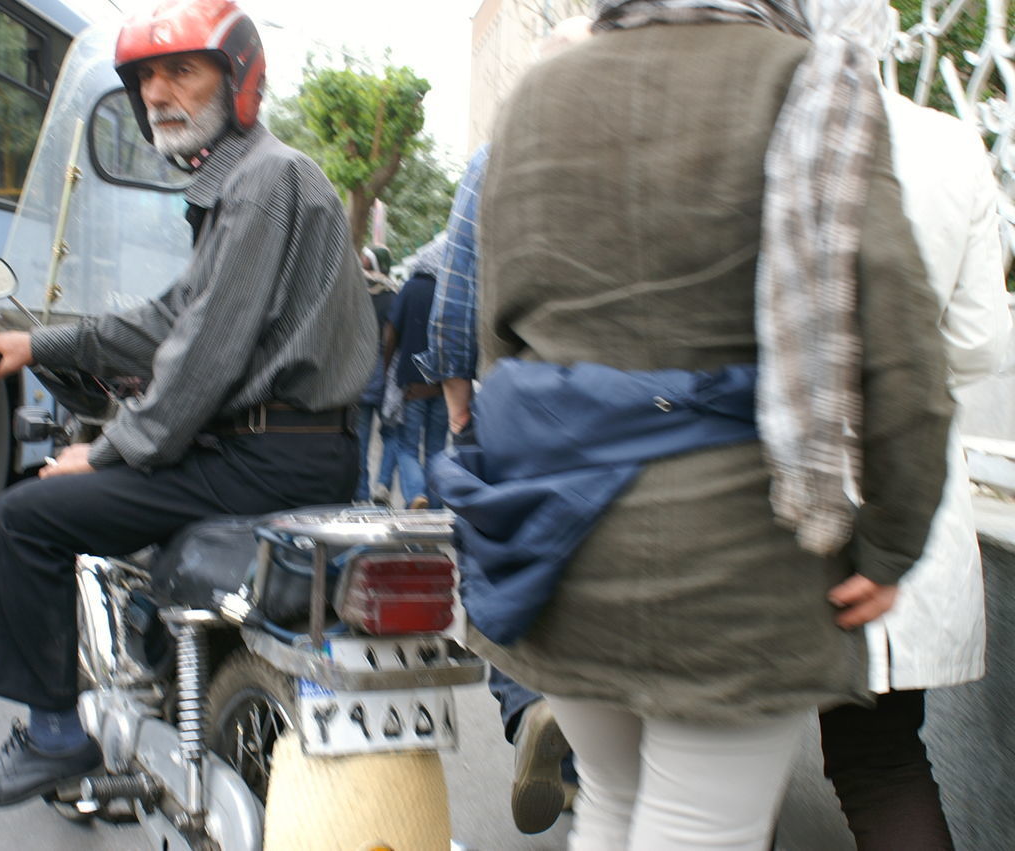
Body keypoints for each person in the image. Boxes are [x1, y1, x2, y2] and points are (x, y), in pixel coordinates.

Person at [432, 0, 954, 847]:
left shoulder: (534, 98)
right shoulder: (808, 80)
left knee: (606, 798)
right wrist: (892, 540)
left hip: (551, 539)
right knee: (699, 824)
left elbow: (499, 335)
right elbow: (898, 351)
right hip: (736, 557)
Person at [0, 0, 376, 807]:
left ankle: (54, 738)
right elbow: (171, 317)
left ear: (239, 80)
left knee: (26, 517)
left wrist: (102, 450)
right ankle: (170, 681)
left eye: (182, 70)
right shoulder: (241, 187)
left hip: (266, 457)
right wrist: (41, 343)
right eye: (145, 78)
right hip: (288, 450)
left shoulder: (265, 182)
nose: (160, 92)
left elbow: (202, 352)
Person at [815, 2, 1012, 848]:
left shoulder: (743, 131)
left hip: (759, 495)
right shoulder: (947, 142)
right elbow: (977, 345)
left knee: (716, 770)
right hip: (910, 491)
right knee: (884, 760)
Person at [413, 17, 593, 835]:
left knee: (500, 585)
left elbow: (454, 308)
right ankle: (599, 748)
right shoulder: (624, 152)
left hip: (512, 415)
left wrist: (461, 413)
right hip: (615, 420)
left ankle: (530, 709)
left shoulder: (492, 161)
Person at [384, 235, 449, 509]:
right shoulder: (451, 291)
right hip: (445, 386)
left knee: (407, 447)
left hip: (412, 385)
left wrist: (388, 367)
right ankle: (434, 512)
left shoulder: (410, 288)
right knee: (436, 450)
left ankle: (415, 495)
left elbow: (390, 333)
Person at [353, 245, 399, 503]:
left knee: (360, 437)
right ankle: (383, 485)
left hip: (360, 376)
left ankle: (360, 494)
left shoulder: (357, 293)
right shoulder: (393, 296)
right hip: (387, 376)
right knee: (392, 435)